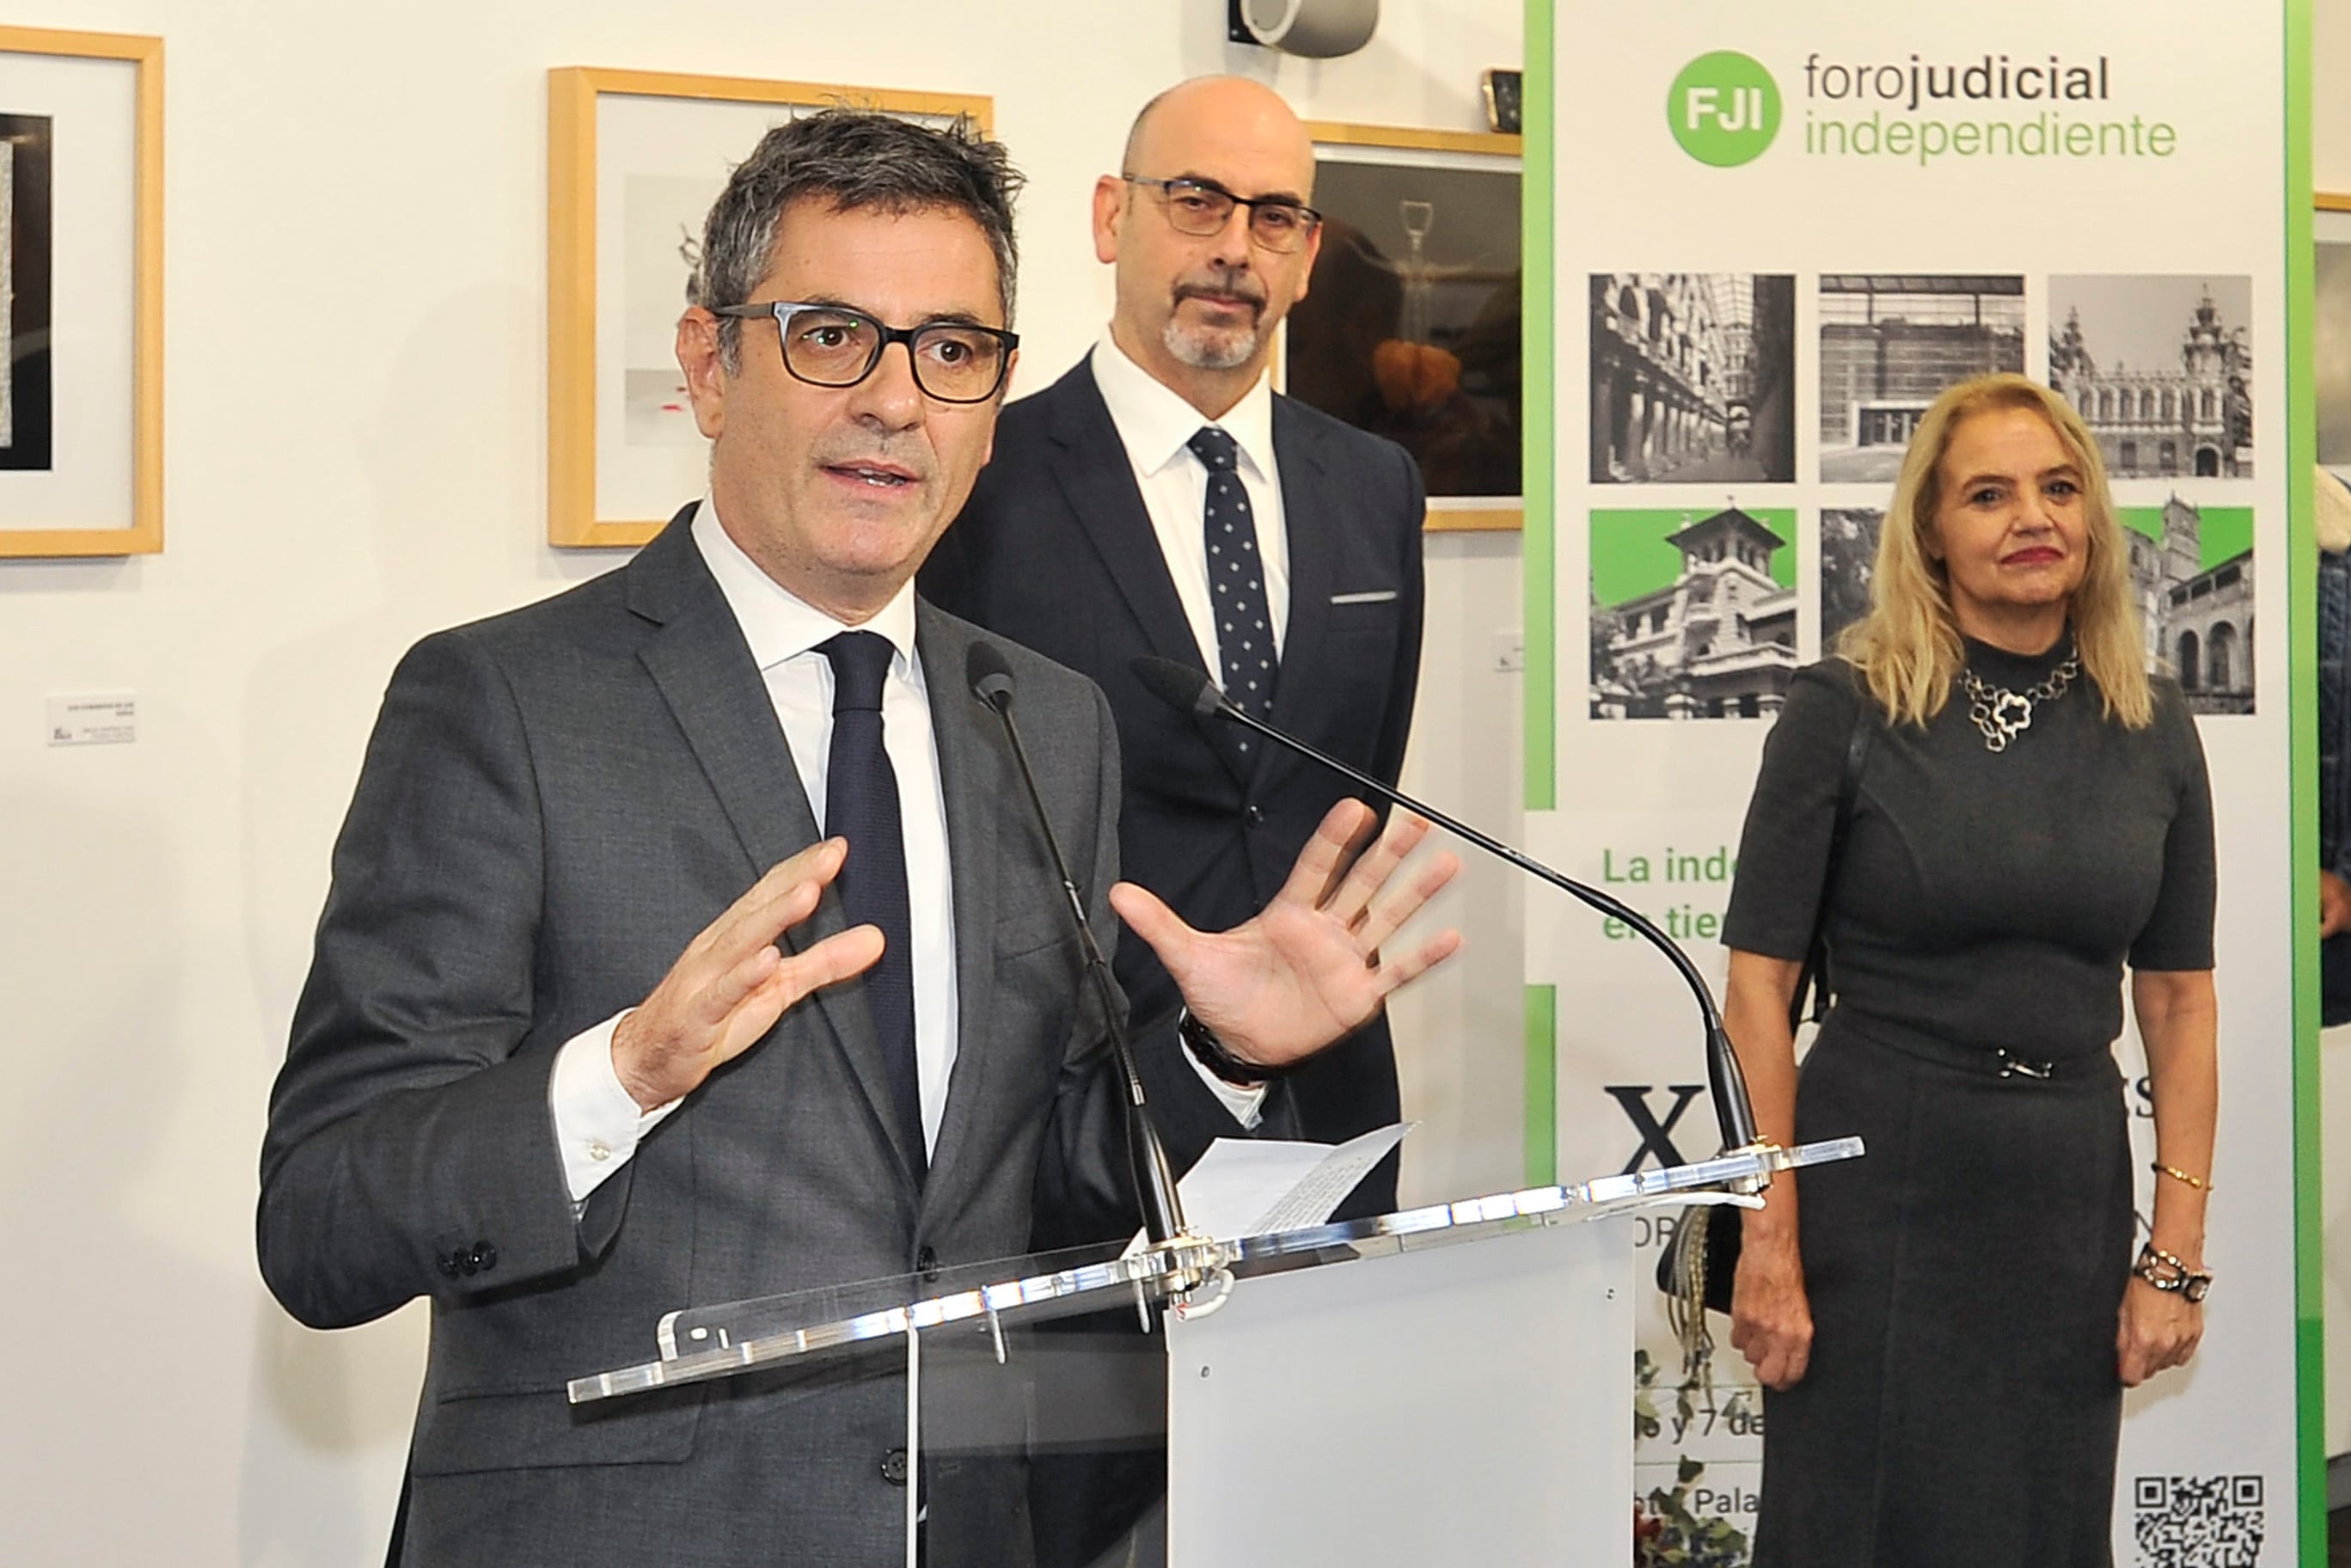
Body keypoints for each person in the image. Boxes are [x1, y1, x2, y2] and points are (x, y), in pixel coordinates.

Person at [255, 108, 1458, 1568]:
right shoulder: (502, 702)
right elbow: (323, 1221)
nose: (896, 401)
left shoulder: (1043, 720)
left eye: (952, 351)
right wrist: (619, 1078)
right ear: (710, 366)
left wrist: (1219, 1058)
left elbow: (1046, 1178)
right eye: (833, 336)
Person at [1719, 372, 2216, 1566]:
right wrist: (1768, 1237)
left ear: (2093, 519)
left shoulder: (2154, 722)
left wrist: (2176, 1257)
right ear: (1930, 533)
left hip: (2062, 1196)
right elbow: (1755, 995)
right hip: (1872, 1191)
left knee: (2039, 1533)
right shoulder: (1840, 711)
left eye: (2057, 488)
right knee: (1853, 1531)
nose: (2030, 517)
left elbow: (2180, 998)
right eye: (1987, 494)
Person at [921, 77, 1427, 1216]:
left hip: (1331, 1093)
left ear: (1305, 258)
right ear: (1112, 218)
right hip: (1078, 1112)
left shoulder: (1375, 487)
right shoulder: (981, 479)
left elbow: (1357, 786)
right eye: (1198, 202)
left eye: (1275, 218)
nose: (1236, 249)